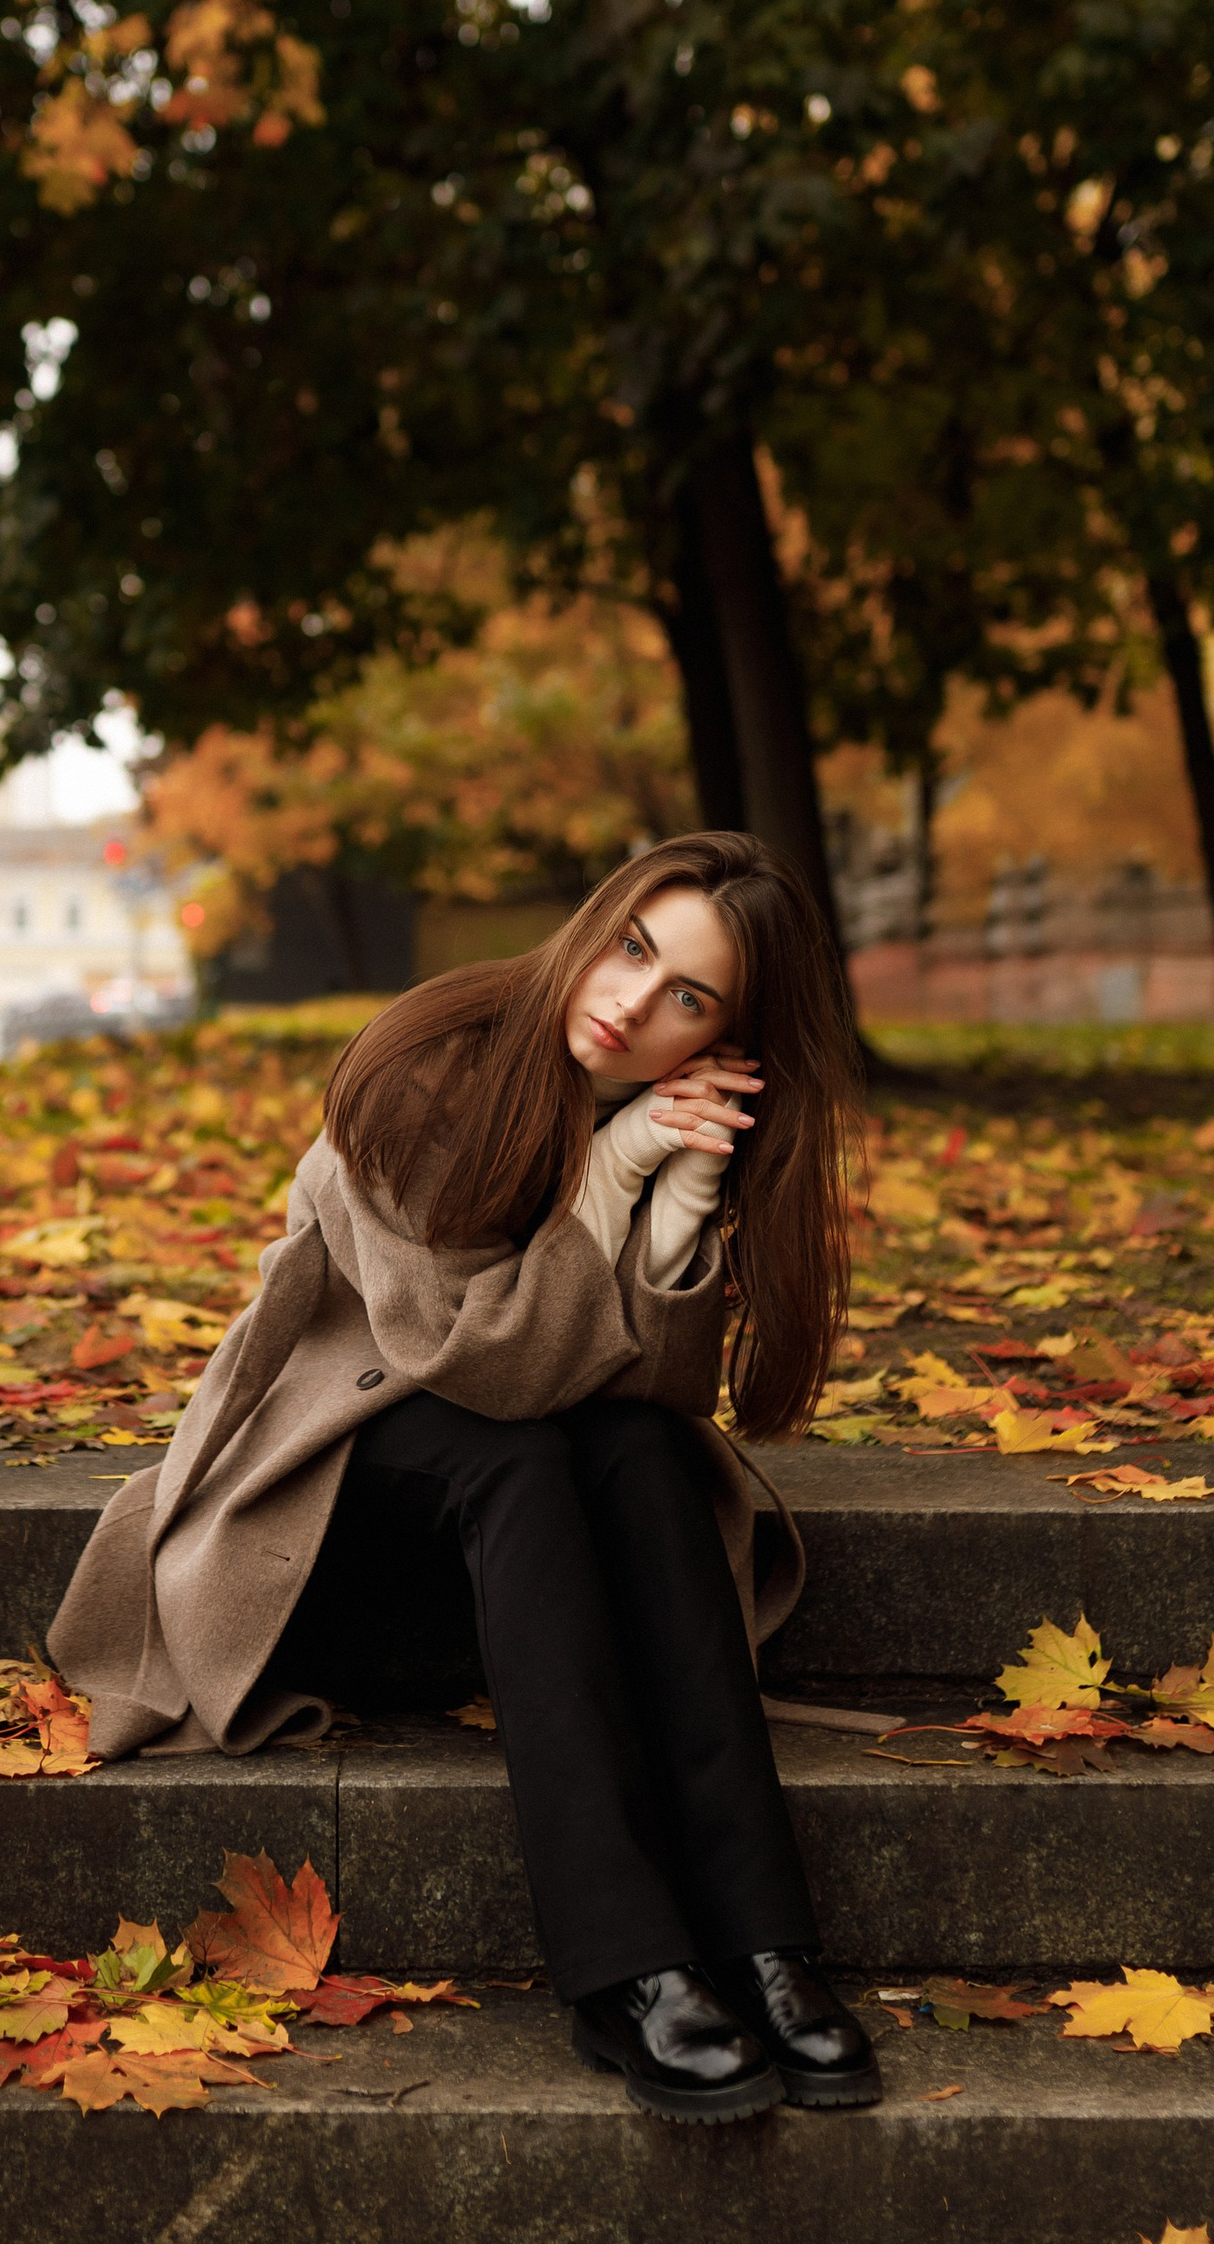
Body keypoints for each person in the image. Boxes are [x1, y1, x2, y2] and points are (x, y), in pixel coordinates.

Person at [49, 830, 879, 2123]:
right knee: (522, 1454)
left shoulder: (662, 1113)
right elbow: (483, 1364)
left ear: (726, 1038)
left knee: (646, 1451)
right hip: (321, 1559)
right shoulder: (427, 1072)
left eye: (688, 998)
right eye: (632, 948)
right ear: (595, 923)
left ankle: (765, 1945)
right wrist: (612, 1172)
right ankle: (627, 1971)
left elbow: (652, 1401)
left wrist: (680, 1192)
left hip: (519, 1591)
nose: (631, 1003)